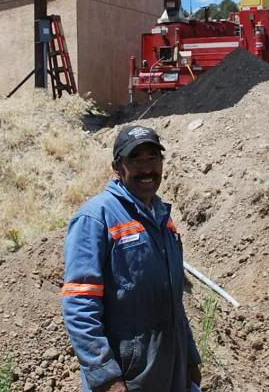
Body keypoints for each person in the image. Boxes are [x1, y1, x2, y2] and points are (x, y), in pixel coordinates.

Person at [61, 125, 202, 392]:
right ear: (118, 167)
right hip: (128, 377)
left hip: (170, 369)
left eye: (153, 158)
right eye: (135, 159)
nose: (147, 168)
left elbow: (173, 300)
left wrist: (190, 356)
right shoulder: (96, 218)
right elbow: (80, 304)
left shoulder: (162, 217)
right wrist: (105, 376)